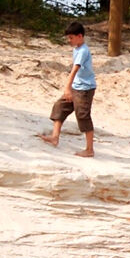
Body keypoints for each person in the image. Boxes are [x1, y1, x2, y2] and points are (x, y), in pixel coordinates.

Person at [39, 21, 97, 157]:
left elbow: (74, 69)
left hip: (85, 89)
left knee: (83, 116)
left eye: (71, 38)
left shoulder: (83, 51)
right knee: (60, 107)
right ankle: (55, 137)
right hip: (76, 86)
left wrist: (67, 89)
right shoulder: (77, 49)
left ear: (80, 36)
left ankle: (89, 149)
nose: (69, 40)